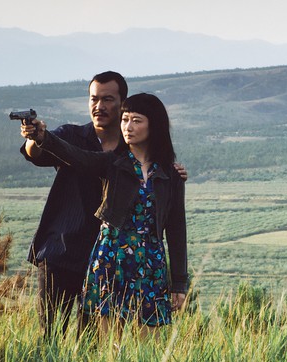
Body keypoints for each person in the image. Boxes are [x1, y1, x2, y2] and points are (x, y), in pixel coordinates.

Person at [27, 92, 187, 329]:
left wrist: (179, 284)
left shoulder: (170, 175)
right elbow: (75, 156)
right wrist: (43, 137)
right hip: (111, 259)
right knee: (110, 346)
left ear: (154, 125)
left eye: (136, 120)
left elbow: (176, 229)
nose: (128, 127)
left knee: (147, 349)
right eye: (125, 119)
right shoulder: (112, 163)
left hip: (151, 264)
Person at [20, 70, 129, 338]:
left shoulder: (132, 147)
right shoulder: (71, 134)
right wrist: (35, 137)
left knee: (91, 344)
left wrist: (174, 172)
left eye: (107, 99)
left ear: (122, 103)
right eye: (93, 99)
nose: (99, 106)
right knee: (49, 338)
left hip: (104, 260)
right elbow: (37, 154)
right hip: (60, 252)